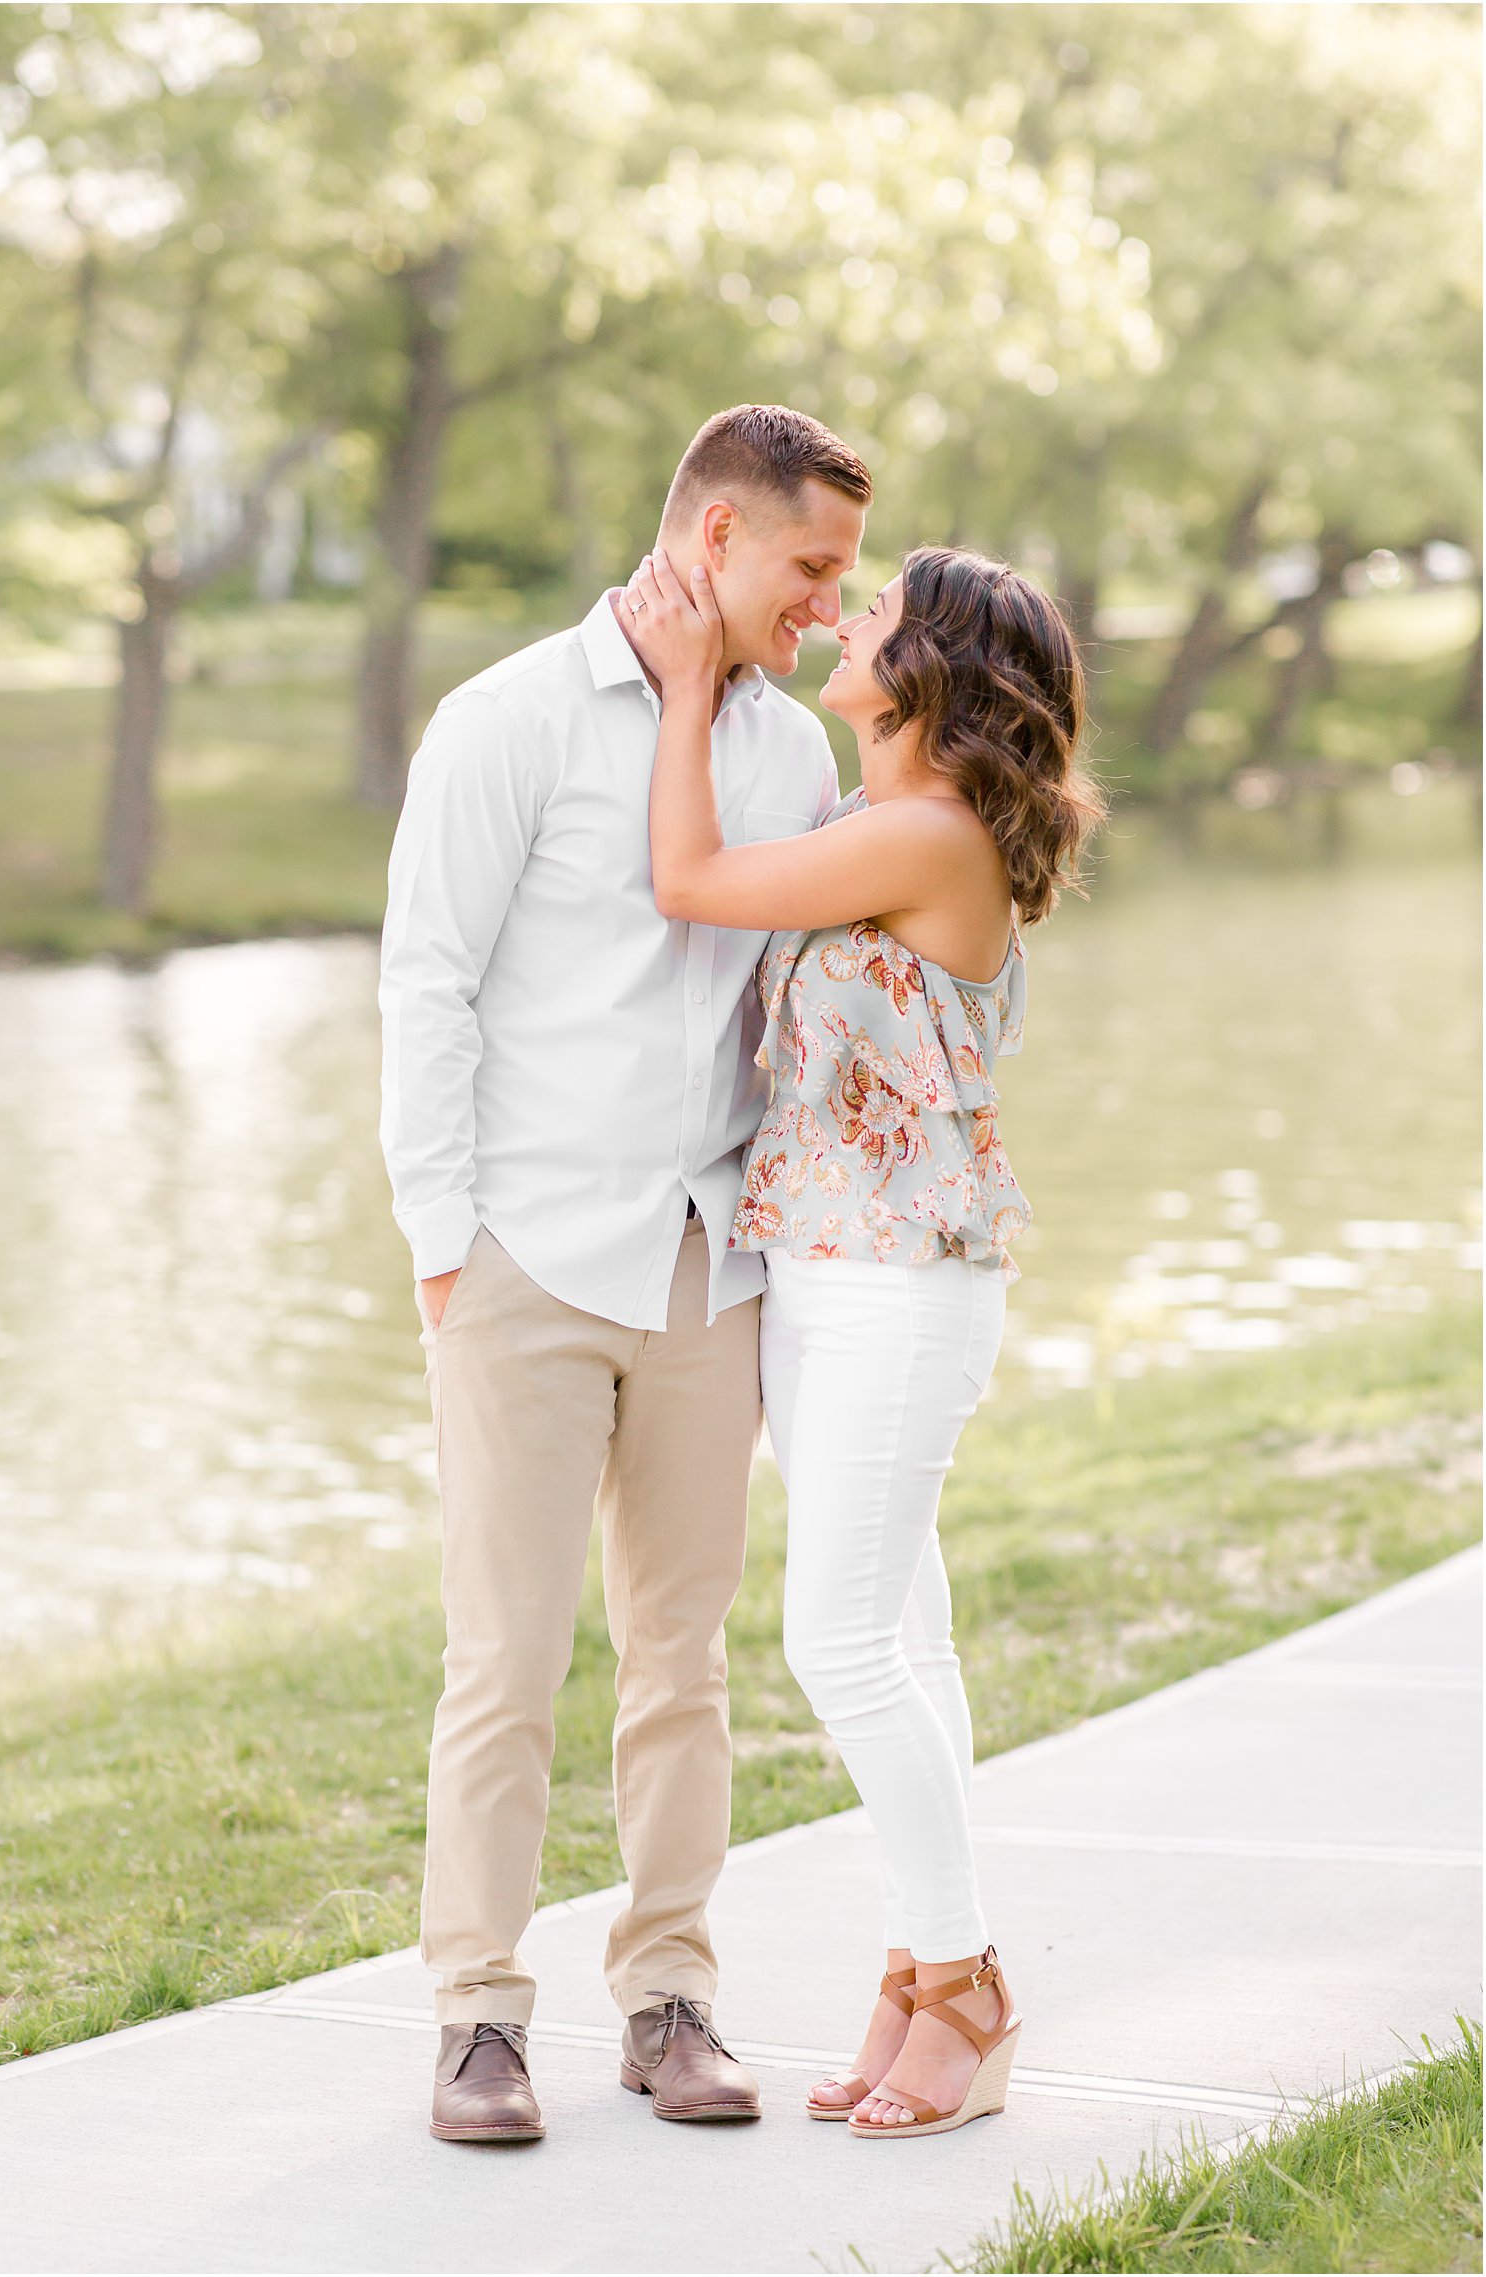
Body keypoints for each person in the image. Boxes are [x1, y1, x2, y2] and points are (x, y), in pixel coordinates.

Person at [378, 405, 870, 2142]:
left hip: (705, 1263)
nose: (827, 603)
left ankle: (671, 1997)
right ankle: (477, 2014)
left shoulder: (795, 754)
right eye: (812, 567)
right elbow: (426, 982)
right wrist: (445, 1245)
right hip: (521, 1257)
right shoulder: (505, 720)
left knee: (685, 1658)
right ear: (718, 539)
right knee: (504, 1657)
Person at [623, 538, 1104, 2140]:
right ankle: (917, 1965)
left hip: (899, 1282)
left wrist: (692, 687)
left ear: (930, 674)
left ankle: (966, 1982)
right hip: (830, 1272)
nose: (843, 618)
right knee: (909, 1643)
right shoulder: (871, 817)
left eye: (874, 614)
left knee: (834, 1644)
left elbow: (687, 878)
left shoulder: (922, 832)